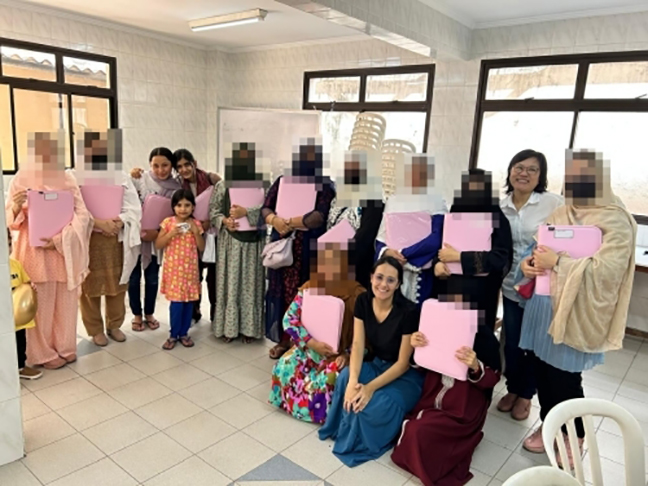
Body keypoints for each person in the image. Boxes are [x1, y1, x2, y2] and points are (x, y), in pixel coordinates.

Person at [519, 149, 636, 467]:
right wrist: (529, 263)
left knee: (565, 379)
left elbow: (609, 272)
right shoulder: (562, 212)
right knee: (543, 373)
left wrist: (557, 262)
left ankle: (575, 435)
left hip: (576, 311)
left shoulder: (615, 220)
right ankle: (550, 422)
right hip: (543, 306)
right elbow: (537, 247)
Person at [318, 256, 424, 467]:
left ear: (398, 284)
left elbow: (403, 364)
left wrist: (368, 388)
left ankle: (364, 438)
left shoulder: (409, 312)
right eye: (379, 277)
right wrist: (353, 382)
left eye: (391, 280)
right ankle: (342, 429)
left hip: (403, 376)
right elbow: (357, 345)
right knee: (345, 377)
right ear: (371, 277)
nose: (383, 285)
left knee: (372, 404)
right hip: (377, 364)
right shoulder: (363, 301)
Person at [5, 132, 93, 369]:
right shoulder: (20, 179)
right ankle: (41, 354)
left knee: (65, 302)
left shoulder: (67, 178)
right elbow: (9, 220)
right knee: (40, 305)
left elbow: (83, 214)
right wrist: (16, 207)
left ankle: (65, 346)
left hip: (62, 249)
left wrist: (60, 239)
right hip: (33, 250)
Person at [391, 310, 502, 486]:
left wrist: (475, 366)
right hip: (432, 400)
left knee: (417, 430)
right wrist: (416, 347)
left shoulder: (483, 337)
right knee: (413, 427)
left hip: (464, 409)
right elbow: (421, 365)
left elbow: (492, 379)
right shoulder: (437, 327)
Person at [269, 233, 365, 423]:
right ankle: (292, 405)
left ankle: (316, 415)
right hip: (309, 348)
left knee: (329, 378)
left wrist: (346, 355)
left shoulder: (357, 295)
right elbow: (289, 319)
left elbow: (364, 338)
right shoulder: (310, 287)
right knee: (284, 366)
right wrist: (311, 343)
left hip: (338, 354)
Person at [497, 149, 563, 421]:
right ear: (510, 171)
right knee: (512, 344)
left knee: (534, 345)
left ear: (540, 176)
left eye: (532, 169)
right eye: (519, 167)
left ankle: (526, 394)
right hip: (512, 286)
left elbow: (568, 240)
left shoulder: (553, 204)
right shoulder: (501, 206)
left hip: (542, 289)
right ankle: (513, 388)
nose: (524, 173)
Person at [262, 139, 336, 359]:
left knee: (304, 297)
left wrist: (290, 222)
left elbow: (319, 216)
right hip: (283, 247)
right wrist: (274, 220)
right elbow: (266, 206)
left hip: (308, 253)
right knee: (282, 295)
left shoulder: (324, 185)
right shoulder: (283, 181)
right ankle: (284, 340)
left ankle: (303, 344)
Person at [76, 130, 142, 347]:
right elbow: (73, 207)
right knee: (89, 287)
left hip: (115, 238)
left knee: (117, 285)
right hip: (89, 239)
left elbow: (134, 207)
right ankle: (95, 329)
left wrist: (120, 221)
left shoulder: (121, 176)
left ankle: (114, 325)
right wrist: (97, 222)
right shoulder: (75, 176)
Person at [435, 169, 513, 330]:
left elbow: (500, 259)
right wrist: (438, 264)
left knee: (477, 336)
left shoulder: (498, 219)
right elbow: (440, 247)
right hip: (451, 289)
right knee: (448, 333)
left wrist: (460, 257)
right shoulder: (454, 213)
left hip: (482, 294)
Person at [210, 143, 266, 343]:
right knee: (230, 284)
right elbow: (213, 211)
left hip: (254, 244)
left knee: (251, 286)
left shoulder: (262, 186)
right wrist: (225, 221)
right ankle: (229, 328)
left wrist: (247, 212)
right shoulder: (222, 185)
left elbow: (269, 211)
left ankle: (249, 330)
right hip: (230, 243)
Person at [376, 154, 446, 305]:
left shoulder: (436, 202)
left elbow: (437, 238)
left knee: (416, 314)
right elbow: (381, 239)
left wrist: (403, 254)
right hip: (391, 272)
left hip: (421, 273)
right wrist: (387, 252)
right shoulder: (392, 201)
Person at [129, 147, 182, 332]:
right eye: (156, 166)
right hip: (135, 237)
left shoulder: (177, 187)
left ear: (172, 165)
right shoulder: (140, 179)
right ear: (149, 165)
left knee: (152, 278)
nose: (160, 170)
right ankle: (137, 315)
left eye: (165, 165)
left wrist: (159, 232)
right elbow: (127, 202)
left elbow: (177, 214)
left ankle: (149, 313)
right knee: (133, 278)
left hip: (156, 239)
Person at [174, 148, 220, 322]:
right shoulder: (178, 185)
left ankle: (216, 312)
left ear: (194, 163)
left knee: (214, 277)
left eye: (187, 164)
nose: (184, 169)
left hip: (213, 235)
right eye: (179, 167)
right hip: (191, 236)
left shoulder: (211, 179)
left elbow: (225, 202)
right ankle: (194, 310)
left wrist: (212, 221)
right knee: (194, 275)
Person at [156, 189, 205, 350]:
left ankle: (184, 333)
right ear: (173, 207)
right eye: (179, 205)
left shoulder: (196, 224)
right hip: (174, 271)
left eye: (187, 205)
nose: (183, 209)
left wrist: (196, 232)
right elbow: (158, 244)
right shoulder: (168, 223)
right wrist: (170, 234)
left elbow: (201, 247)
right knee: (176, 303)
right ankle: (173, 334)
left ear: (193, 207)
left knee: (189, 302)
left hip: (190, 271)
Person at [328, 150, 385, 290]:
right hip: (329, 262)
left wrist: (343, 261)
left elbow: (365, 237)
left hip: (356, 269)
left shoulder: (373, 201)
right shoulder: (338, 199)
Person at [8, 228, 42, 380]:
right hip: (3, 316)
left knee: (20, 341)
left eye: (9, 244)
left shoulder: (15, 265)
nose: (7, 249)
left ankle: (20, 367)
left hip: (18, 317)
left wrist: (30, 287)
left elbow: (26, 281)